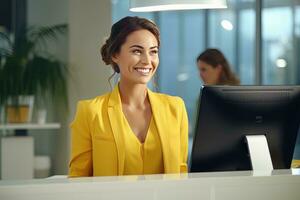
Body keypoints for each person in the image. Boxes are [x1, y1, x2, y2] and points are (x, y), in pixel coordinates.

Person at [68, 16, 188, 177]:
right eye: (137, 51)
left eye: (153, 52)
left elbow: (181, 171)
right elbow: (78, 178)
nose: (147, 61)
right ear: (115, 55)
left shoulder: (175, 108)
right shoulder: (90, 112)